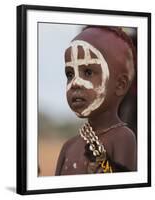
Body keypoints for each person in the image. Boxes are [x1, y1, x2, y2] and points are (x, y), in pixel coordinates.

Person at [55, 26, 137, 175]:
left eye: (88, 72)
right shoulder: (68, 147)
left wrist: (107, 167)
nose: (75, 83)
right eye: (69, 74)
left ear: (120, 85)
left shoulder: (123, 138)